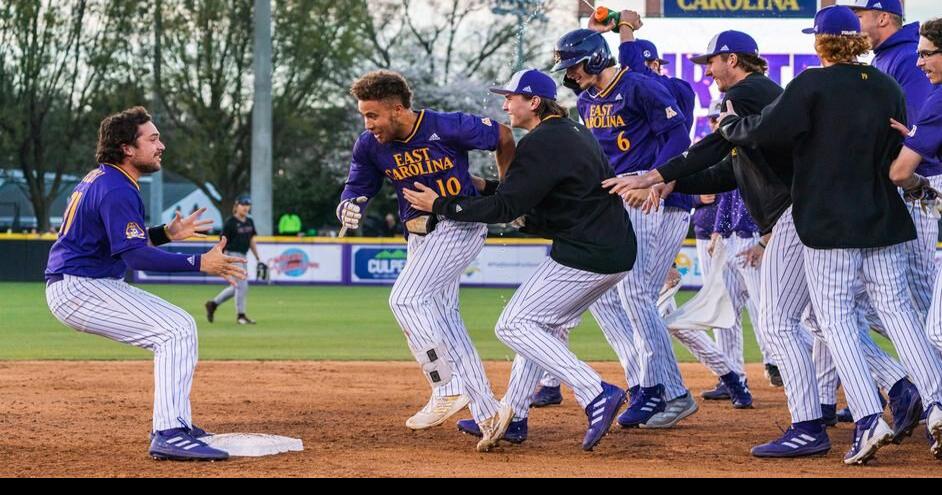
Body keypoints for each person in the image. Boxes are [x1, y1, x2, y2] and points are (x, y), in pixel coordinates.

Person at [603, 22, 916, 459]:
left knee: (782, 321)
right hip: (804, 211)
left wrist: (656, 174)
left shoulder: (748, 93)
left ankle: (814, 423)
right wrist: (673, 184)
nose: (707, 71)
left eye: (710, 61)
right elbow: (730, 168)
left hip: (796, 214)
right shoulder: (762, 95)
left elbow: (715, 143)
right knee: (817, 319)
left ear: (732, 59)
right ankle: (899, 385)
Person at [716, 6, 942, 465]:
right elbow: (897, 146)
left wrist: (729, 126)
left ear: (821, 43)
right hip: (882, 215)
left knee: (835, 319)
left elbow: (766, 133)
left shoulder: (810, 84)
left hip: (828, 221)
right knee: (897, 312)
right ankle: (937, 403)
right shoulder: (885, 85)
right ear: (856, 39)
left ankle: (866, 418)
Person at [403, 68, 635, 451]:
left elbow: (507, 208)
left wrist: (441, 204)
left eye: (511, 97)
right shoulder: (566, 132)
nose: (505, 103)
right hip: (606, 247)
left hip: (587, 253)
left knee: (513, 325)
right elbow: (529, 195)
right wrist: (485, 187)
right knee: (538, 328)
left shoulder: (542, 142)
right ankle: (513, 416)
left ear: (534, 102)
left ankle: (596, 392)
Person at [44, 106, 246, 461]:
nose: (161, 145)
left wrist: (168, 233)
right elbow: (135, 257)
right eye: (152, 139)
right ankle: (168, 432)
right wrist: (201, 262)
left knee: (178, 328)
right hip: (80, 287)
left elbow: (121, 243)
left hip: (84, 283)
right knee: (175, 329)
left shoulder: (106, 179)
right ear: (127, 148)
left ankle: (176, 424)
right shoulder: (116, 188)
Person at [338, 70, 516, 452]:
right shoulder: (369, 145)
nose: (367, 124)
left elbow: (502, 135)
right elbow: (358, 185)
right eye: (364, 116)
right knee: (447, 321)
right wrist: (348, 205)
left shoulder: (445, 126)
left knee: (405, 299)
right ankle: (488, 414)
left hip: (459, 225)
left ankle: (445, 385)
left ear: (398, 109)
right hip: (419, 237)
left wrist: (512, 189)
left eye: (372, 115)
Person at [556, 24, 702, 429]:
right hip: (615, 193)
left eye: (576, 65)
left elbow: (677, 137)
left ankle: (656, 389)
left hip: (645, 189)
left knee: (636, 291)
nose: (572, 74)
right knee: (604, 295)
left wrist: (655, 177)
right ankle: (649, 383)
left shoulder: (640, 85)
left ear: (598, 57)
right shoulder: (587, 101)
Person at [887, 17, 942, 460]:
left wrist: (921, 183)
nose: (919, 61)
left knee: (937, 329)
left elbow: (900, 172)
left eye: (927, 52)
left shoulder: (939, 100)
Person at [205, 195, 261, 325]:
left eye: (248, 205)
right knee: (242, 285)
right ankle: (241, 316)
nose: (246, 207)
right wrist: (221, 259)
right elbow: (222, 241)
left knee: (237, 286)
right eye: (243, 204)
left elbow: (251, 240)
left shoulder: (249, 222)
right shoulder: (230, 222)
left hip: (242, 256)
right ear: (237, 206)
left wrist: (257, 257)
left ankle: (213, 304)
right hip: (231, 255)